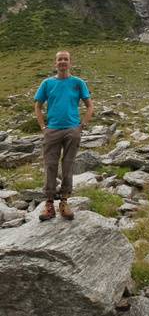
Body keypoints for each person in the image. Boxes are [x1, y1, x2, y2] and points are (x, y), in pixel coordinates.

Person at [32, 49, 92, 222]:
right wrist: (43, 127)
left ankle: (64, 201)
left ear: (70, 62)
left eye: (65, 59)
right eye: (60, 59)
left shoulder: (78, 83)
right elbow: (38, 106)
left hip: (72, 130)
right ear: (55, 63)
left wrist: (82, 126)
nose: (63, 62)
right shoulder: (47, 83)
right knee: (50, 165)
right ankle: (49, 203)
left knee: (68, 164)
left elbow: (89, 106)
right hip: (52, 129)